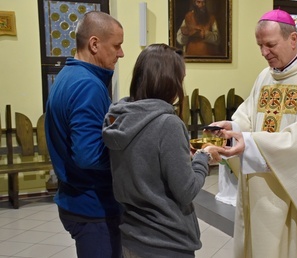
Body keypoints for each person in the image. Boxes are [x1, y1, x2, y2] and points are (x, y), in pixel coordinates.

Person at [210, 9, 297, 258]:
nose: (264, 53)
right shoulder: (265, 76)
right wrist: (234, 128)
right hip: (261, 186)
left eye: (270, 45)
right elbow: (249, 115)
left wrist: (252, 141)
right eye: (260, 45)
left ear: (293, 39)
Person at [101, 43, 224, 258]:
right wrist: (203, 158)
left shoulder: (118, 117)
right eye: (180, 79)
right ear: (169, 82)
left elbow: (146, 167)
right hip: (166, 242)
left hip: (132, 235)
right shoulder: (167, 124)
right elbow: (186, 191)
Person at [44, 11, 124, 258]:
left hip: (77, 198)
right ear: (94, 44)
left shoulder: (68, 75)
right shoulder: (87, 85)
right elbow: (88, 155)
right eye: (117, 46)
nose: (121, 53)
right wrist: (129, 158)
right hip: (92, 207)